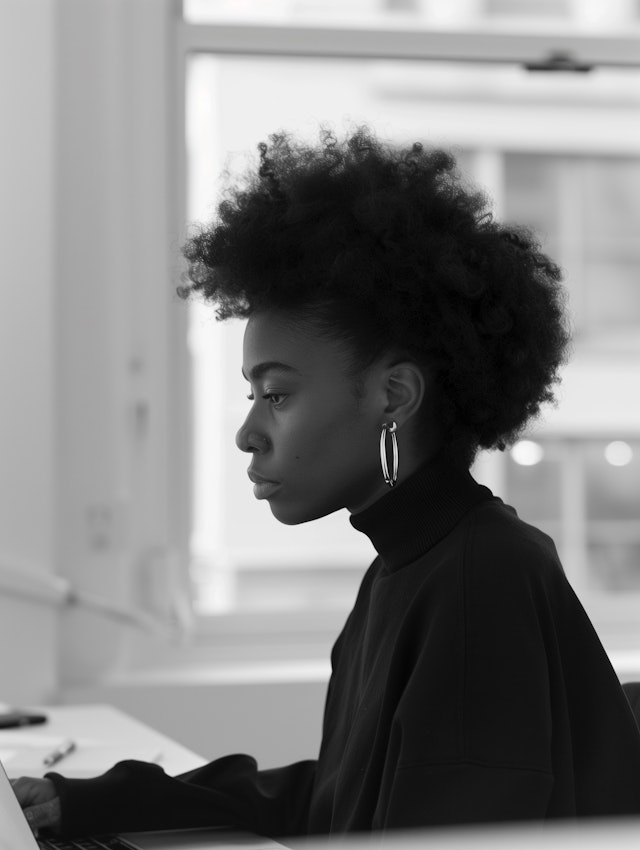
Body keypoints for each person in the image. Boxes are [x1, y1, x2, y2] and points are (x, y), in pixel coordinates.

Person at [12, 126, 640, 839]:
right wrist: (97, 803)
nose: (248, 433)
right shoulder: (407, 567)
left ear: (395, 395)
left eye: (276, 395)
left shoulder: (479, 576)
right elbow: (339, 801)